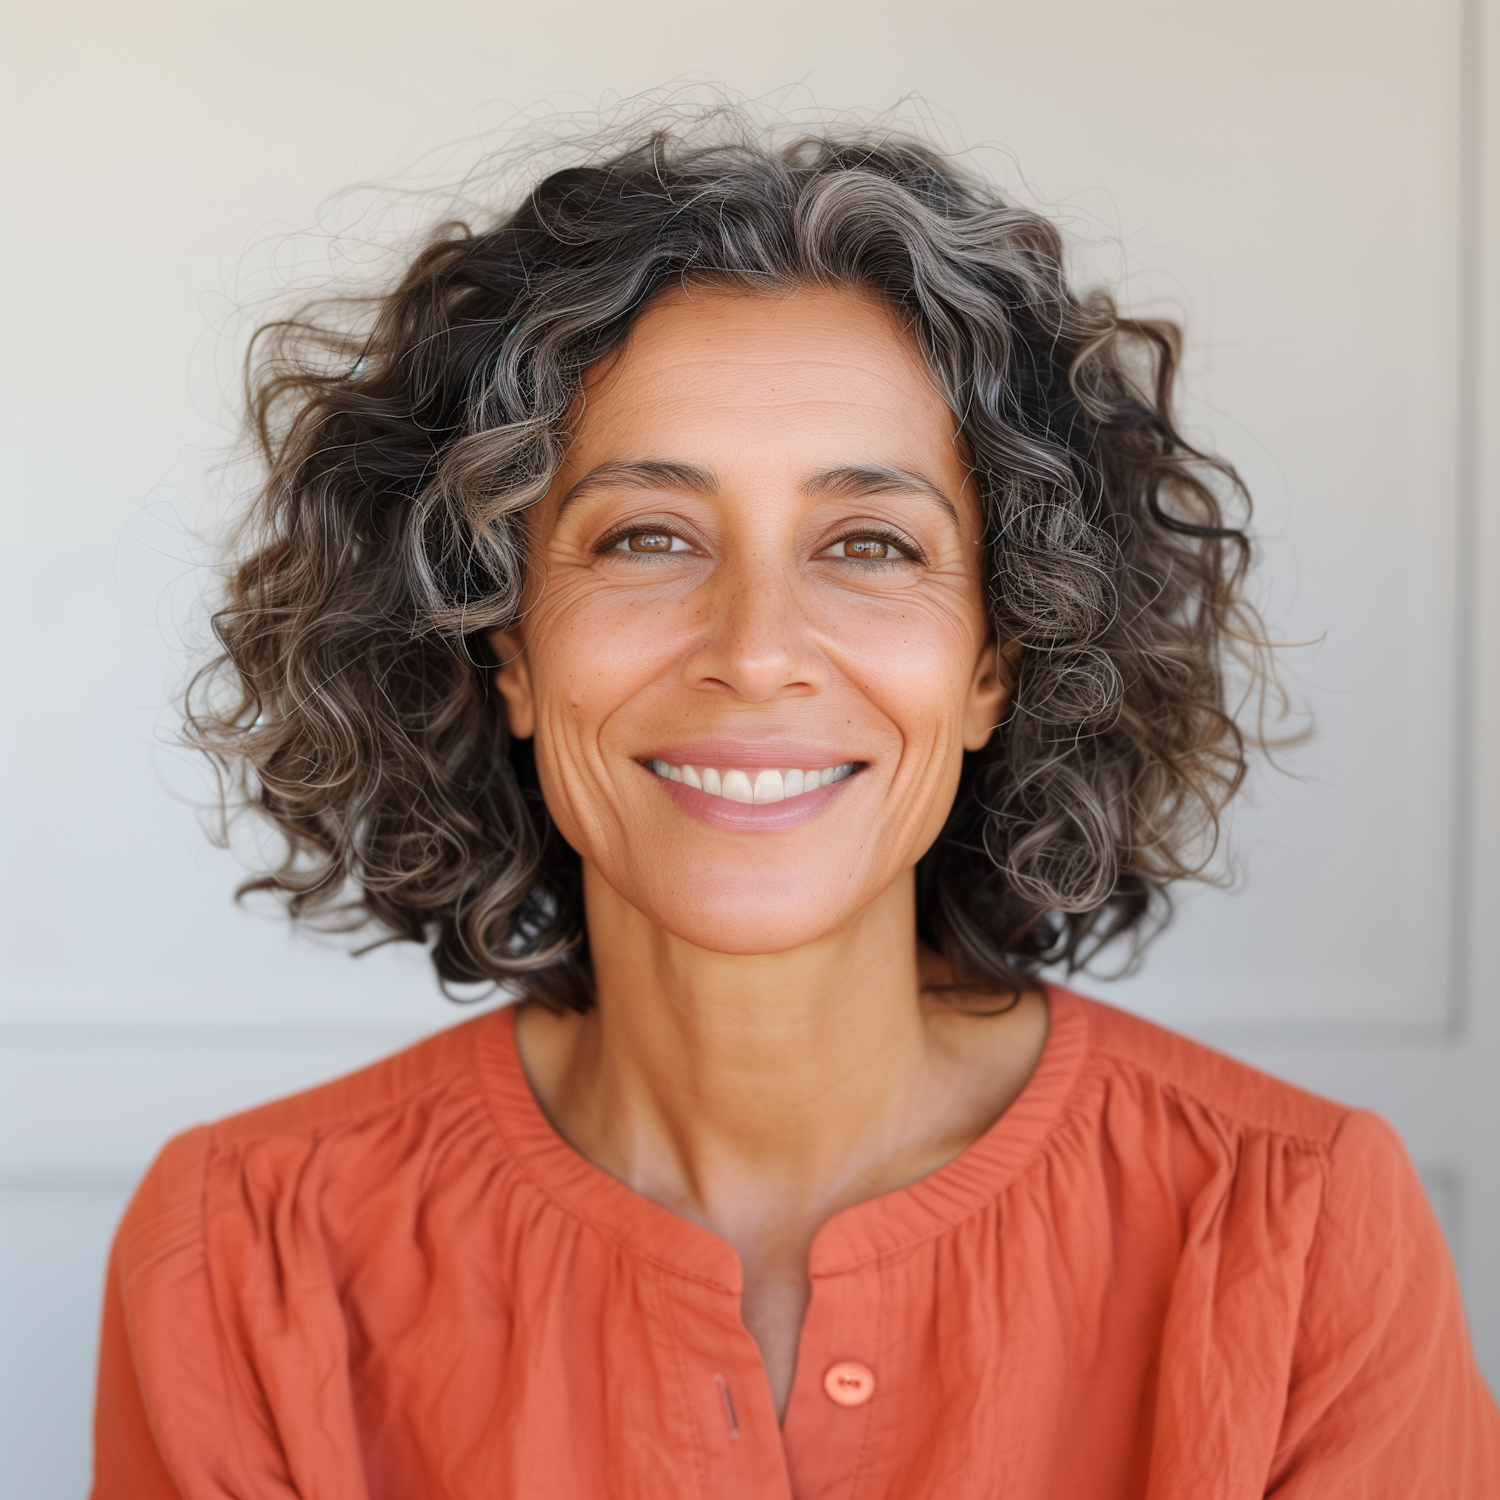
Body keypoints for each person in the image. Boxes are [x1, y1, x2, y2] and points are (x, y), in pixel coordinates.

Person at [92, 112, 1500, 1498]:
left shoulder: (1299, 1229)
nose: (757, 648)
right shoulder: (243, 1256)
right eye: (647, 536)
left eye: (870, 545)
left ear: (997, 663)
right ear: (505, 642)